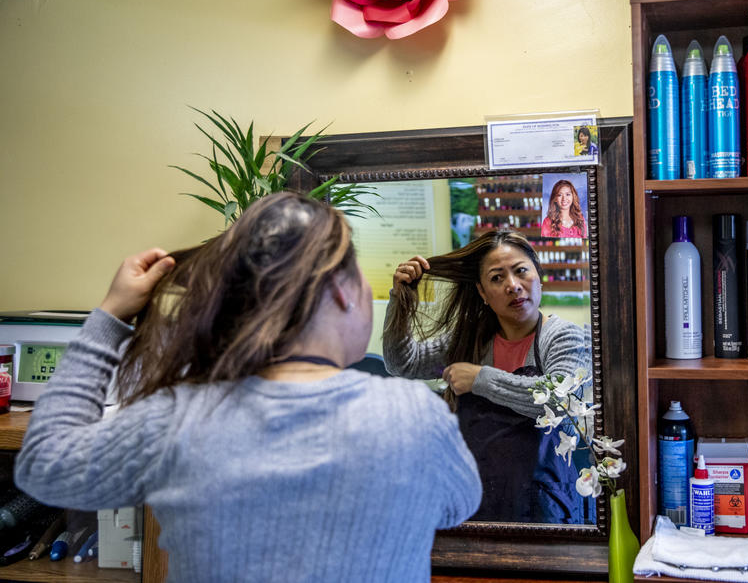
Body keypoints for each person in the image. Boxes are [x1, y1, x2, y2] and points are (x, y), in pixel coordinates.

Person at [14, 192, 481, 583]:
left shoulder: (178, 418)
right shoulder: (415, 416)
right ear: (340, 290)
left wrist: (110, 318)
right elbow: (457, 505)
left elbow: (42, 466)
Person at [383, 229, 591, 523]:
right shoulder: (471, 340)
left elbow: (561, 400)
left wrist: (480, 379)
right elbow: (402, 363)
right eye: (497, 278)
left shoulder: (564, 337)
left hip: (547, 505)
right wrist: (401, 301)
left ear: (538, 275)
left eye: (521, 271)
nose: (513, 286)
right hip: (478, 498)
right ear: (482, 292)